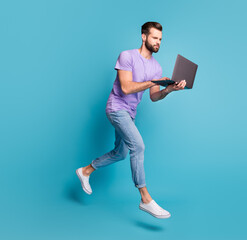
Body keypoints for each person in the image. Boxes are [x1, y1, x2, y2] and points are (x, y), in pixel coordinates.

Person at [75, 22, 186, 219]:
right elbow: (125, 88)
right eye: (154, 38)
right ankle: (145, 198)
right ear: (144, 37)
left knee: (120, 153)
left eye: (160, 39)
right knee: (139, 147)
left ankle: (85, 170)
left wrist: (168, 89)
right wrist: (154, 82)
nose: (158, 42)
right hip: (117, 108)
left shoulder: (156, 66)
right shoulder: (126, 56)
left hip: (130, 113)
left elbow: (153, 96)